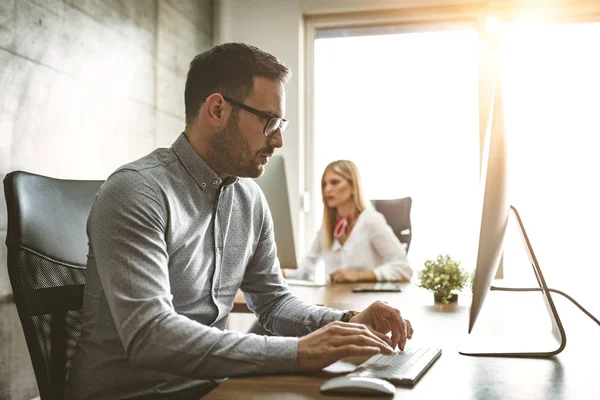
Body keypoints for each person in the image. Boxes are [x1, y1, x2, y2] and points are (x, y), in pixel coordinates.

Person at [66, 43, 414, 400]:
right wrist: (301, 352)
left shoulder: (249, 199)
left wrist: (344, 323)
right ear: (217, 109)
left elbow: (273, 302)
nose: (278, 140)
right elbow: (151, 336)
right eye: (269, 121)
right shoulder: (136, 192)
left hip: (215, 386)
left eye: (281, 124)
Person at [284, 160, 413, 283]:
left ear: (352, 186)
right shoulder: (327, 227)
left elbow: (404, 268)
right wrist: (279, 272)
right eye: (324, 184)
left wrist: (358, 276)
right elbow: (305, 270)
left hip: (364, 301)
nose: (327, 189)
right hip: (333, 301)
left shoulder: (371, 221)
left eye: (334, 182)